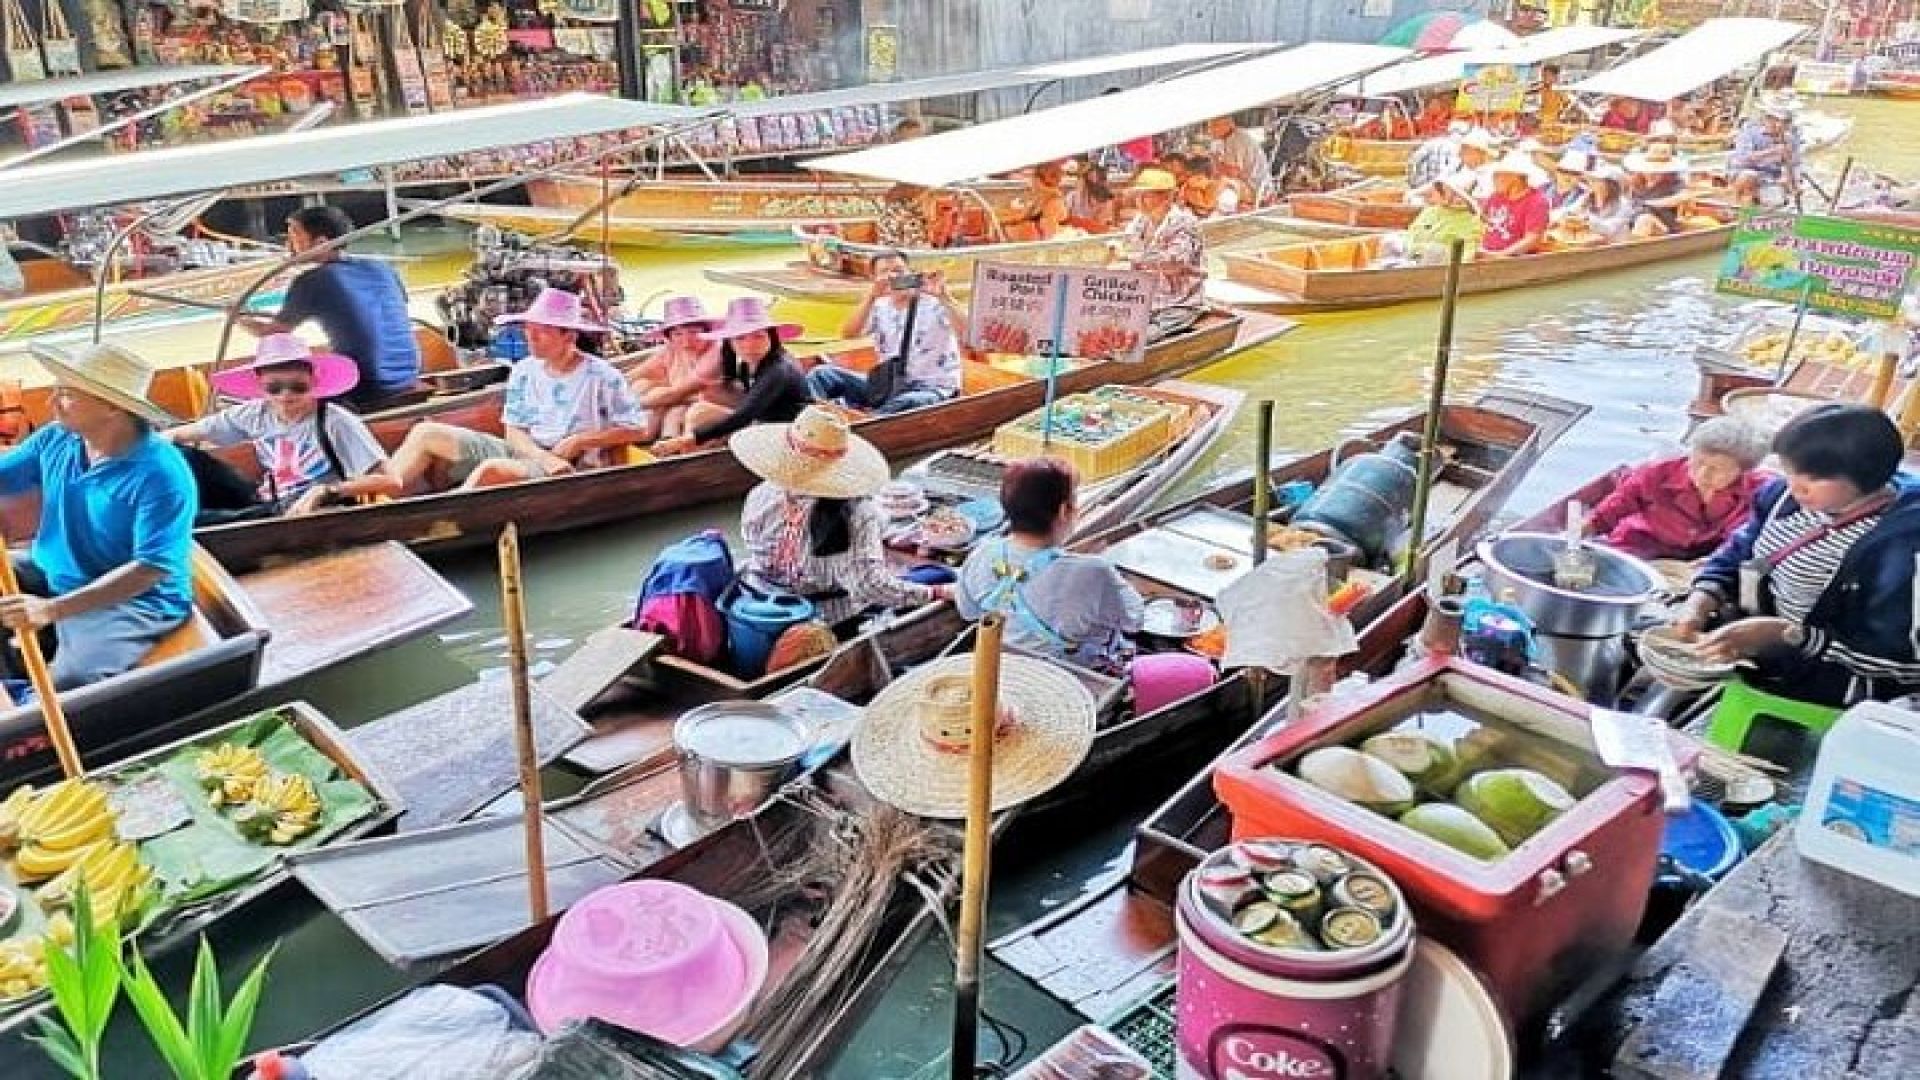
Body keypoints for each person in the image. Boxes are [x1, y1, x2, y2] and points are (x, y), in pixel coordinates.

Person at [1673, 404, 1920, 707]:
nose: (1795, 486)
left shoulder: (1902, 549)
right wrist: (1701, 599)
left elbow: (1901, 662)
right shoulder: (1782, 498)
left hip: (1828, 679)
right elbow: (1739, 551)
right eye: (1791, 470)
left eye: (1814, 478)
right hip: (1755, 638)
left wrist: (1788, 635)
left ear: (1867, 478)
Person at [0, 342, 194, 689]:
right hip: (54, 572)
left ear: (110, 406)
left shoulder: (162, 473)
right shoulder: (57, 439)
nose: (51, 402)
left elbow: (149, 570)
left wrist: (51, 610)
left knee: (73, 681)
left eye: (66, 394)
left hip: (132, 601)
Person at [387, 288, 648, 490]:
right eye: (528, 331)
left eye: (541, 333)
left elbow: (638, 428)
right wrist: (539, 456)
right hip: (530, 452)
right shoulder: (524, 370)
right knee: (426, 432)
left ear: (569, 336)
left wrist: (580, 440)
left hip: (568, 464)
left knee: (493, 469)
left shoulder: (602, 376)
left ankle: (433, 521)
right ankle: (380, 497)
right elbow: (514, 431)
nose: (530, 339)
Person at [733, 405, 947, 626]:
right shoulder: (858, 513)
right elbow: (870, 587)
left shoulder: (760, 494)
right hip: (820, 617)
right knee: (935, 574)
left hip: (756, 601)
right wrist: (937, 593)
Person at [164, 334, 399, 516]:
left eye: (298, 387)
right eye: (274, 389)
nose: (286, 396)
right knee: (181, 455)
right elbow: (179, 434)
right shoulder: (255, 413)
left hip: (308, 510)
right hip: (266, 501)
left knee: (196, 521)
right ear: (260, 386)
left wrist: (327, 490)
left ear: (314, 382)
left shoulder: (336, 422)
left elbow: (390, 481)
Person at [957, 458, 1143, 671]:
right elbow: (1134, 619)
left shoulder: (982, 553)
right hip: (1066, 678)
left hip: (998, 668)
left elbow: (968, 611)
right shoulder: (1094, 571)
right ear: (1064, 511)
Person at [241, 206, 420, 410]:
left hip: (366, 384)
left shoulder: (312, 281)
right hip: (408, 374)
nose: (288, 245)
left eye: (294, 237)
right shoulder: (382, 268)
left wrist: (239, 316)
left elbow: (272, 334)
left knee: (282, 390)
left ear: (321, 243)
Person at [1584, 417, 1771, 561]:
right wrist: (1581, 531)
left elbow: (1743, 540)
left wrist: (1714, 564)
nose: (1703, 474)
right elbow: (1609, 512)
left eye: (1717, 469)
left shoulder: (1759, 492)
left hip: (1699, 560)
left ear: (1742, 471)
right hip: (1640, 546)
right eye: (1698, 462)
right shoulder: (1656, 473)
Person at [654, 297, 812, 457]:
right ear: (730, 342)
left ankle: (686, 459)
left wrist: (686, 440)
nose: (750, 345)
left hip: (787, 435)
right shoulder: (746, 364)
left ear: (772, 337)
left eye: (758, 336)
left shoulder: (778, 370)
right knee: (701, 403)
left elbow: (743, 416)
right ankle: (688, 452)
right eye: (740, 338)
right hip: (764, 421)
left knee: (700, 413)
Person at [811, 252, 965, 414]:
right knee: (821, 374)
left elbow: (968, 332)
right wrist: (871, 297)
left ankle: (865, 422)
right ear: (875, 279)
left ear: (909, 273)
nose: (893, 276)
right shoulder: (879, 306)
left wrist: (945, 297)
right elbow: (848, 333)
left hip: (933, 387)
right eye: (885, 272)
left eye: (899, 270)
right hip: (888, 385)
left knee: (907, 402)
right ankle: (816, 418)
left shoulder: (935, 303)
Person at [627, 296, 722, 440]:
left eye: (694, 332)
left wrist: (626, 405)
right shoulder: (671, 349)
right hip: (682, 401)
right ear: (669, 337)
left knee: (674, 411)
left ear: (706, 331)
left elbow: (677, 394)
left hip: (715, 410)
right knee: (643, 385)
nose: (686, 341)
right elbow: (634, 374)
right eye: (678, 334)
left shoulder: (716, 352)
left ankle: (667, 447)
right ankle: (639, 437)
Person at [1116, 167, 1206, 313]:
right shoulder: (1141, 220)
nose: (1140, 201)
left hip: (1179, 300)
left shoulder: (1184, 223)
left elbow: (1174, 263)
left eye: (1146, 195)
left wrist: (1132, 257)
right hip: (1146, 295)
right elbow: (1128, 245)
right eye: (1138, 195)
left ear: (1167, 197)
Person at [1380, 171, 1483, 265]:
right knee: (1391, 240)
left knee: (1435, 250)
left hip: (1441, 267)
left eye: (1460, 195)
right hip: (1411, 257)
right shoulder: (1430, 211)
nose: (1456, 198)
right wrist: (1411, 250)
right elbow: (1412, 233)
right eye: (1450, 192)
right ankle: (1386, 270)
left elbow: (1467, 251)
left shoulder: (1472, 220)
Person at [1478, 151, 1551, 258]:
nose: (1493, 179)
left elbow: (1532, 239)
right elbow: (1482, 219)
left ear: (1515, 178)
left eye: (1498, 175)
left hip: (1513, 261)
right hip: (1484, 253)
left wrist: (1499, 255)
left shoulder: (1536, 202)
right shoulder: (1496, 196)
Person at [1728, 104, 1802, 206]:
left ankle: (1763, 204)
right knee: (1749, 177)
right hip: (1743, 172)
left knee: (1778, 201)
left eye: (1784, 122)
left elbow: (1795, 165)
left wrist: (1793, 182)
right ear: (1766, 120)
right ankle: (1738, 204)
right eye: (1774, 121)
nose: (1778, 125)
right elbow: (1743, 158)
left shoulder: (1790, 140)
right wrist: (1772, 151)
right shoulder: (1749, 133)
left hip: (1768, 178)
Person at [1623, 144, 1693, 237]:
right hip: (1633, 219)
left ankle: (1632, 247)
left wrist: (1650, 203)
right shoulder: (1634, 181)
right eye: (1649, 169)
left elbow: (1683, 197)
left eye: (1658, 171)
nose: (1652, 173)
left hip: (1662, 224)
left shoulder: (1675, 183)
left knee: (1644, 219)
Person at [999, 161, 1069, 242]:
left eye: (1036, 176)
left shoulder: (1054, 202)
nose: (1032, 180)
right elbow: (1024, 217)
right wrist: (1004, 222)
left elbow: (1050, 235)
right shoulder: (1040, 199)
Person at [1206, 115, 1270, 199]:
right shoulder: (1218, 141)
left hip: (1254, 187)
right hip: (1240, 183)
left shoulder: (1240, 140)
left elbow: (1234, 172)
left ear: (1228, 125)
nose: (1209, 131)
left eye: (1214, 126)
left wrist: (1213, 161)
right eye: (1209, 127)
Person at [1574, 163, 1638, 241]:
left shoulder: (1624, 205)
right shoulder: (1586, 198)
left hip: (1614, 247)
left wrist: (1587, 220)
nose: (1595, 184)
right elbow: (1568, 211)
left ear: (1612, 186)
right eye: (1594, 180)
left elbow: (1609, 229)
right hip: (1589, 243)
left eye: (1600, 181)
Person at [873, 183, 934, 249]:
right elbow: (915, 243)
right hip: (900, 254)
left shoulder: (913, 209)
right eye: (922, 191)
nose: (925, 195)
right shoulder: (896, 212)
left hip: (903, 251)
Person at [1065, 161, 1119, 232]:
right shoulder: (1072, 197)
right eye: (1083, 177)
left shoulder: (1106, 200)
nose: (1084, 183)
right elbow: (1065, 220)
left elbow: (1102, 227)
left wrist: (1078, 222)